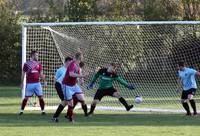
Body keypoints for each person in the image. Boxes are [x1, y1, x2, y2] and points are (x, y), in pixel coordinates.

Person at [52, 52, 86, 122]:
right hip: (63, 84)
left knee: (79, 98)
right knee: (66, 101)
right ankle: (61, 117)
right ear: (79, 59)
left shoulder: (77, 66)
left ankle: (68, 114)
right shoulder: (72, 64)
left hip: (71, 85)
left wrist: (81, 80)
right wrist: (81, 76)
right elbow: (71, 74)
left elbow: (78, 76)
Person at [19, 50, 47, 115]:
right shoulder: (26, 64)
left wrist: (44, 81)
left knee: (41, 97)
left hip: (37, 83)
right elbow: (23, 74)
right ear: (32, 55)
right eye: (36, 55)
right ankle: (21, 111)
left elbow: (41, 74)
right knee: (26, 97)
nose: (37, 56)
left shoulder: (39, 64)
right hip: (29, 83)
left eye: (37, 55)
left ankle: (43, 111)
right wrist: (22, 83)